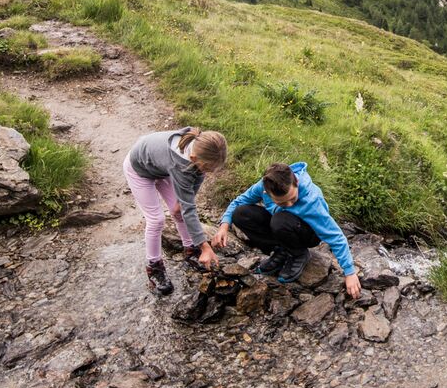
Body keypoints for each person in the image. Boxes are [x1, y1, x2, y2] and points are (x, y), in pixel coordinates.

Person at [214, 162, 362, 300]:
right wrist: (224, 225)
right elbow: (239, 201)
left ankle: (298, 253)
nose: (289, 204)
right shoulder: (263, 187)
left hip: (307, 233)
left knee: (280, 219)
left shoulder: (311, 200)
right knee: (241, 213)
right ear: (267, 192)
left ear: (296, 182)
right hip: (281, 224)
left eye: (292, 199)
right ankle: (281, 250)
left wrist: (350, 273)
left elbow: (335, 236)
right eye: (282, 202)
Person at [124, 126, 227, 295]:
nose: (208, 173)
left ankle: (190, 249)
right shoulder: (180, 164)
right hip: (139, 170)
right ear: (193, 158)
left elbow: (198, 176)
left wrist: (186, 198)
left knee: (178, 211)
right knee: (156, 220)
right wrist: (205, 246)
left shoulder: (198, 150)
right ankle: (154, 266)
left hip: (161, 167)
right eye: (207, 168)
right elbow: (189, 208)